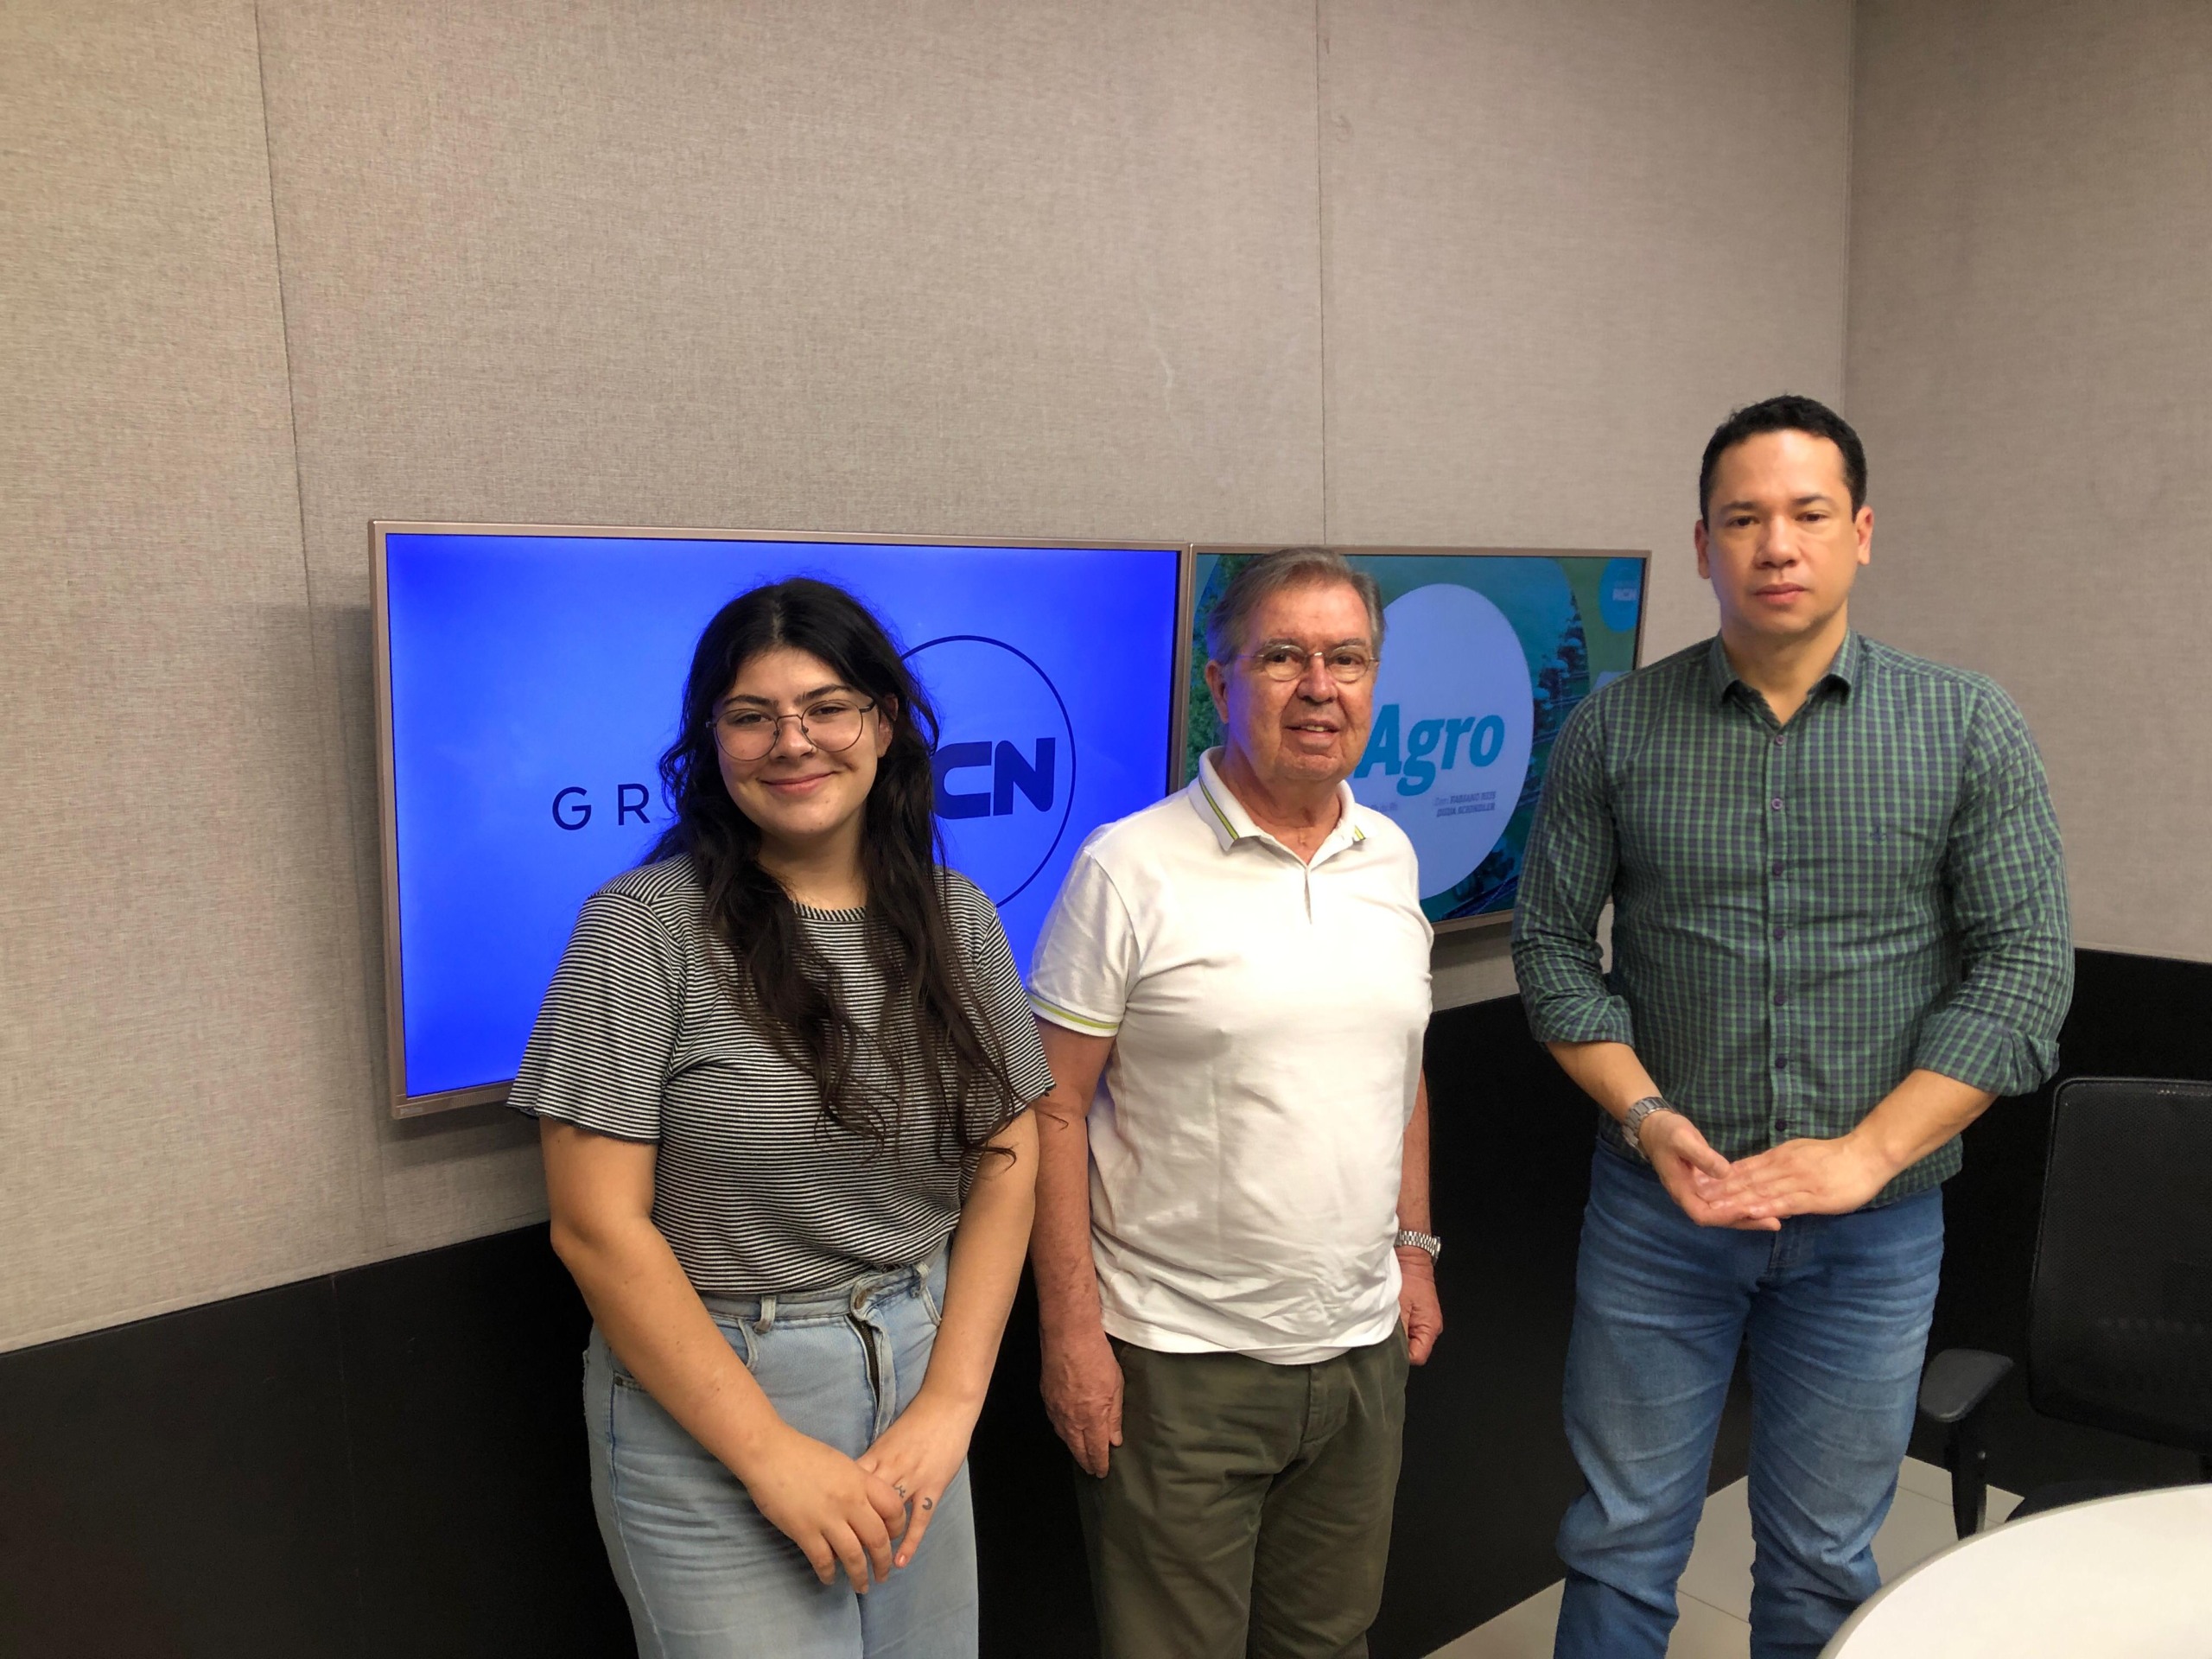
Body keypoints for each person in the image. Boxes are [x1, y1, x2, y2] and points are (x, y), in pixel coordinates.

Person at [1513, 395, 2073, 1659]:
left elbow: (2026, 972)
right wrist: (1650, 1122)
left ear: (1862, 532)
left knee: (1824, 1560)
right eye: (1744, 518)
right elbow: (1551, 950)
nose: (1778, 544)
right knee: (1619, 1541)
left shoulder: (1966, 724)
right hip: (1661, 1218)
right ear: (1702, 542)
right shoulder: (1613, 728)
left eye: (1810, 514)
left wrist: (1866, 1154)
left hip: (1873, 1235)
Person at [511, 578, 1052, 1659]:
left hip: (914, 1369)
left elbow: (1008, 1151)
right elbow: (595, 1226)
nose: (790, 742)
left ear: (885, 726)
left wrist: (951, 1401)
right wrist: (767, 1452)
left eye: (826, 707)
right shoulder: (640, 929)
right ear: (711, 741)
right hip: (713, 1402)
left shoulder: (957, 918)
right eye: (750, 716)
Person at [1026, 547, 1443, 1659]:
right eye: (1283, 657)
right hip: (1176, 1365)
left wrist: (1413, 1252)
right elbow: (1049, 1111)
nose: (1320, 686)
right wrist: (1070, 1334)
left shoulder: (1390, 856)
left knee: (1329, 1642)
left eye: (1346, 658)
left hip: (1357, 1359)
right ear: (1219, 683)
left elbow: (1401, 1069)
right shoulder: (1128, 869)